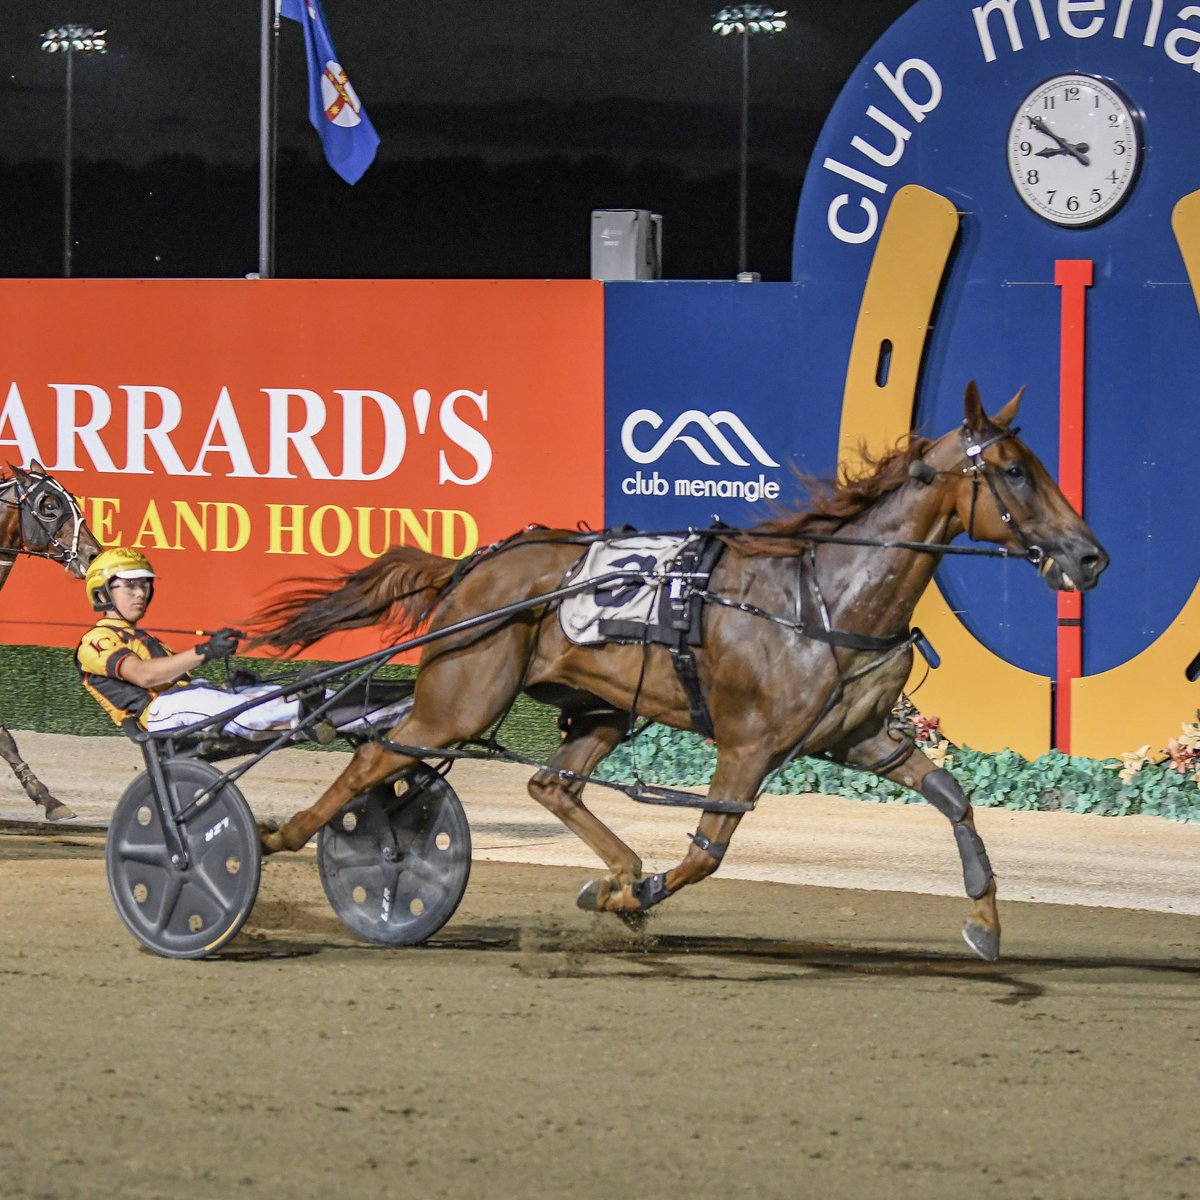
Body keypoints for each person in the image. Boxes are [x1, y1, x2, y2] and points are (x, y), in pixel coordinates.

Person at [75, 547, 302, 739]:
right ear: (102, 594)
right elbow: (145, 676)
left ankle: (323, 711)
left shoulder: (143, 638)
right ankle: (303, 719)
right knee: (247, 713)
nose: (140, 593)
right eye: (131, 585)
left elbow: (175, 682)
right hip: (158, 712)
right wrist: (205, 651)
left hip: (180, 700)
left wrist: (227, 686)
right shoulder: (96, 640)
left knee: (272, 694)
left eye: (144, 585)